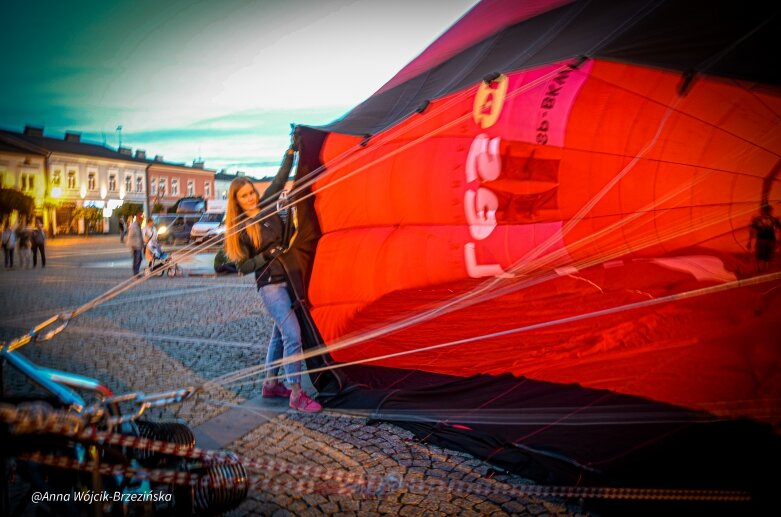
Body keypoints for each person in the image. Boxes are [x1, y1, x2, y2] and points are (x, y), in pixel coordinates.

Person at [225, 134, 322, 413]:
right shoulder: (240, 229)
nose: (251, 197)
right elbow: (242, 267)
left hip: (288, 279)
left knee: (279, 335)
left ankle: (270, 384)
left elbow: (280, 178)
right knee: (292, 333)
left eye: (252, 192)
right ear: (237, 201)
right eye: (244, 195)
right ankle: (295, 392)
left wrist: (291, 151)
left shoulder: (267, 204)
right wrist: (266, 255)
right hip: (270, 286)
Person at [748, 204, 781, 273]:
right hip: (763, 240)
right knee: (762, 256)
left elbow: (780, 229)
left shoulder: (773, 220)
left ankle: (764, 271)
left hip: (768, 240)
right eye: (769, 211)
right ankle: (761, 270)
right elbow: (752, 230)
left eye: (770, 211)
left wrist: (749, 241)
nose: (770, 212)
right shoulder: (758, 220)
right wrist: (749, 241)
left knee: (767, 256)